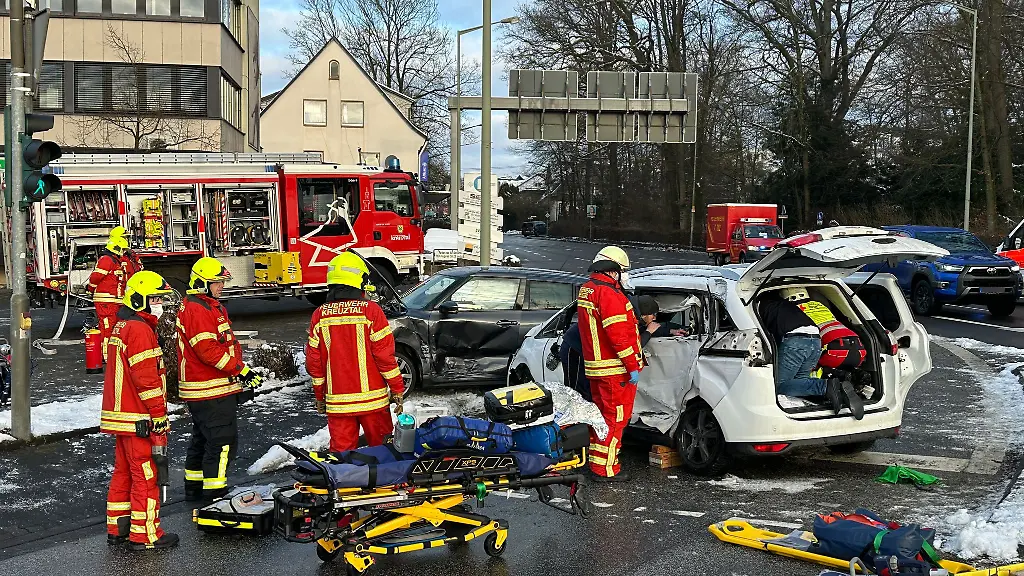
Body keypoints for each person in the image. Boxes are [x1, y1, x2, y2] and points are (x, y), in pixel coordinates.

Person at [101, 271, 179, 551]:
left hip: (121, 417)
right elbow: (147, 380)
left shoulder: (122, 325)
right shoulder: (140, 330)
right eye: (154, 298)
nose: (158, 303)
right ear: (139, 299)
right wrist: (158, 415)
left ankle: (118, 529)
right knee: (147, 476)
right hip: (138, 418)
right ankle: (145, 536)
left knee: (124, 473)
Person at [177, 257, 262, 502]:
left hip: (208, 387)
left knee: (202, 439)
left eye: (222, 282)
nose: (221, 286)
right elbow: (208, 351)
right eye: (216, 282)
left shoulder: (204, 305)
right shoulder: (198, 309)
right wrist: (240, 370)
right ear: (202, 282)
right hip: (209, 389)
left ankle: (194, 487)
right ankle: (215, 491)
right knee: (221, 442)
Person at [305, 252, 405, 453]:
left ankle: (344, 484)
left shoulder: (320, 315)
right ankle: (382, 485)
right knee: (383, 453)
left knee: (341, 458)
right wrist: (397, 389)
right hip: (373, 403)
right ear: (359, 281)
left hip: (338, 405)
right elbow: (385, 357)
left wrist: (319, 396)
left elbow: (314, 363)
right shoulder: (371, 311)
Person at [577, 246, 644, 482]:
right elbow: (618, 336)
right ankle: (605, 469)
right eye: (623, 271)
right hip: (615, 370)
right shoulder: (609, 295)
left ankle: (597, 463)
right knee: (615, 419)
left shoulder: (588, 289)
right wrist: (632, 366)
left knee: (602, 417)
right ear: (613, 271)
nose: (625, 275)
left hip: (597, 367)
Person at [758, 289, 863, 419]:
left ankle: (826, 386)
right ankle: (835, 392)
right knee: (800, 383)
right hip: (816, 339)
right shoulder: (784, 306)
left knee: (779, 385)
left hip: (796, 340)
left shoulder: (758, 306)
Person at [779, 286, 867, 387]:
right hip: (858, 346)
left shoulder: (792, 310)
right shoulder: (819, 304)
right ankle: (854, 376)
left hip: (833, 348)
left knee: (804, 368)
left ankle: (829, 377)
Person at [88, 227, 141, 361]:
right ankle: (107, 357)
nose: (127, 241)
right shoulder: (107, 260)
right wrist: (91, 289)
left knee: (113, 328)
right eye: (125, 238)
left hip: (115, 301)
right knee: (107, 329)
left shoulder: (117, 260)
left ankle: (112, 355)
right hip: (106, 302)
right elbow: (95, 278)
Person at [558, 322, 591, 402]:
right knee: (576, 392)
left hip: (586, 347)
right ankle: (573, 412)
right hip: (575, 347)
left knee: (587, 391)